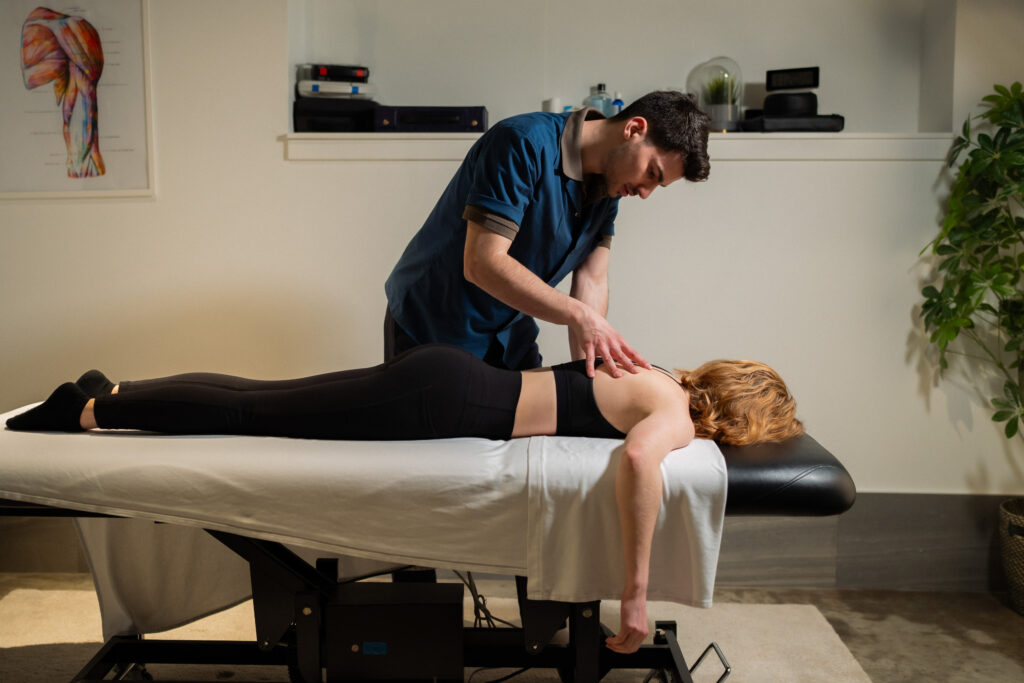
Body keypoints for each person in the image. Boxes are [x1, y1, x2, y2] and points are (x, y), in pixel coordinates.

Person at [6, 344, 801, 654]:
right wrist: (635, 592)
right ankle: (86, 412)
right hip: (442, 401)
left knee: (262, 393)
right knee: (256, 409)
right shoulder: (672, 413)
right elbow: (639, 461)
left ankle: (114, 391)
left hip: (448, 380)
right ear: (742, 417)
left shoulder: (655, 369)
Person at [384, 91, 711, 377]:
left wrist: (590, 374)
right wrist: (579, 315)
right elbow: (482, 262)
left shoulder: (609, 189)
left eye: (658, 185)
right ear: (634, 129)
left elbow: (592, 280)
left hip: (509, 332)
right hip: (435, 324)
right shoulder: (521, 142)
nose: (645, 192)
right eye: (652, 172)